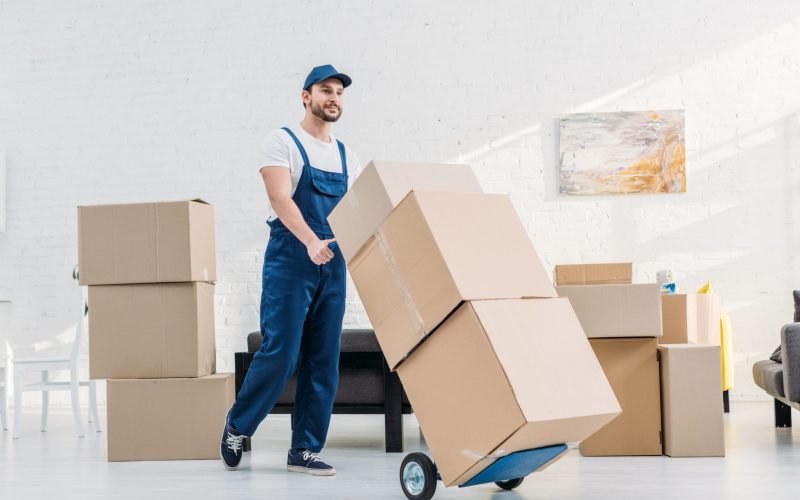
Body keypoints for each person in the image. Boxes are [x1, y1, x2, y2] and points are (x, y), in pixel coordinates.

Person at [220, 64, 361, 476]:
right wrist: (310, 241)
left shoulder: (345, 154)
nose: (333, 97)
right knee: (281, 353)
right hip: (291, 257)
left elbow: (352, 210)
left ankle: (304, 449)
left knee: (324, 358)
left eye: (339, 92)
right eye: (325, 90)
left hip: (332, 262)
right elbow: (281, 198)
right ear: (306, 96)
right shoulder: (281, 141)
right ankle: (238, 425)